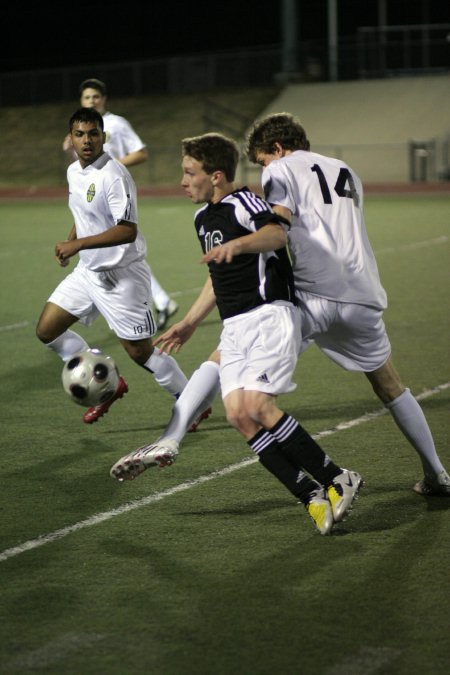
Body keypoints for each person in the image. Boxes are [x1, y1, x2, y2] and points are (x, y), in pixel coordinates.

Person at [113, 113, 450, 499]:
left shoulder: (281, 170)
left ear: (276, 148)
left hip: (312, 293)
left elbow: (278, 226)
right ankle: (436, 473)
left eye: (262, 161)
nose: (263, 170)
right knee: (390, 385)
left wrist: (240, 244)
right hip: (363, 294)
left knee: (228, 353)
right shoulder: (345, 170)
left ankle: (171, 436)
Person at [110, 132, 364, 536]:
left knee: (261, 407)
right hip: (235, 327)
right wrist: (190, 322)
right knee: (238, 416)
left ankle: (338, 478)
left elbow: (277, 235)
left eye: (189, 172)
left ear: (215, 175)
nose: (182, 181)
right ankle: (311, 498)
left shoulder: (244, 202)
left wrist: (241, 244)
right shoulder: (202, 219)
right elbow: (217, 278)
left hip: (269, 316)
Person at [37, 107, 188, 424]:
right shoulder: (73, 173)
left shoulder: (114, 174)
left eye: (93, 133)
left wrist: (76, 245)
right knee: (48, 330)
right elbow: (84, 216)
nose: (87, 140)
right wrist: (70, 244)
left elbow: (126, 229)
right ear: (71, 138)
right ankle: (107, 380)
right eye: (80, 134)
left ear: (103, 137)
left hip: (122, 276)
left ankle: (191, 402)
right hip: (88, 272)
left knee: (140, 352)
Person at [63, 78, 178, 331]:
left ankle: (155, 302)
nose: (92, 101)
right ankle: (162, 301)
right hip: (94, 194)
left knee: (125, 247)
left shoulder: (116, 124)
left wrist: (111, 167)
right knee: (123, 251)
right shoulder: (82, 128)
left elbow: (142, 152)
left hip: (114, 193)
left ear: (104, 99)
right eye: (87, 98)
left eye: (96, 97)